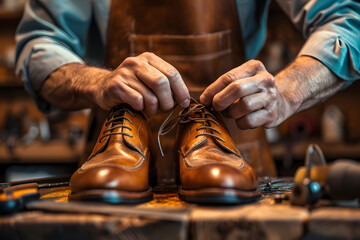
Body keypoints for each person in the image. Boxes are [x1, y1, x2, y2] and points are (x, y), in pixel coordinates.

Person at [15, 0, 360, 204]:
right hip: (109, 152)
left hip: (237, 140)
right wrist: (97, 80)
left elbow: (348, 21)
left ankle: (205, 130)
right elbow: (37, 45)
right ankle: (127, 127)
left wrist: (287, 91)